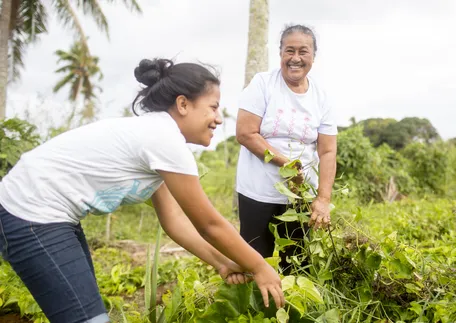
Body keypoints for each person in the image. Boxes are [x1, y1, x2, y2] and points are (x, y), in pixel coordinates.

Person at [0, 58, 284, 323]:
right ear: (183, 104)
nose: (219, 118)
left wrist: (221, 263)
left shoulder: (158, 138)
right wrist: (259, 267)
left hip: (50, 215)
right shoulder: (164, 139)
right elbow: (209, 224)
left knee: (86, 311)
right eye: (213, 106)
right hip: (31, 212)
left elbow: (174, 222)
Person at [235, 24, 338, 274]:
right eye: (289, 50)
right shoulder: (263, 84)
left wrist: (323, 199)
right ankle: (255, 311)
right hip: (257, 192)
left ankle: (291, 309)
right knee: (254, 260)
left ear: (314, 56)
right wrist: (284, 163)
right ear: (280, 53)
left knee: (297, 263)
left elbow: (327, 151)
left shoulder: (321, 97)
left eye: (303, 51)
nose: (295, 58)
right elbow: (245, 133)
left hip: (299, 197)